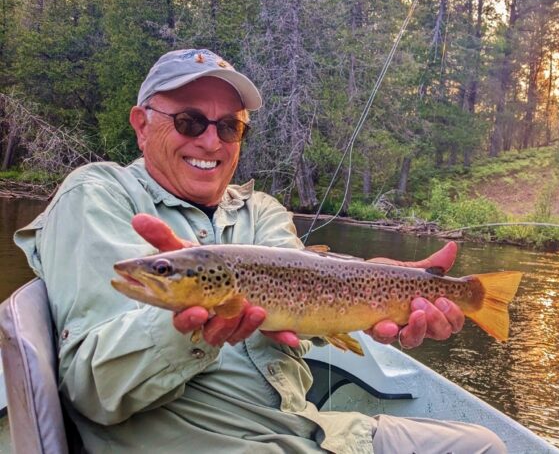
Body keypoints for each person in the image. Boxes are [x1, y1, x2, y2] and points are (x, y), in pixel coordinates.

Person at [15, 49, 506, 453]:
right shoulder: (99, 194)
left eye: (230, 127)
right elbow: (92, 391)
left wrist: (379, 286)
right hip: (215, 445)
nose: (211, 140)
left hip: (312, 434)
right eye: (189, 121)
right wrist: (188, 324)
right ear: (142, 125)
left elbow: (307, 292)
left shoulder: (263, 210)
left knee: (487, 446)